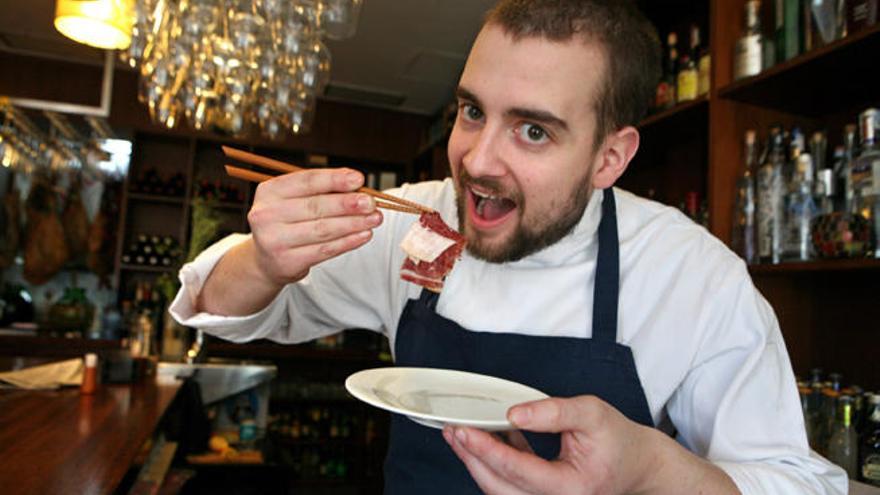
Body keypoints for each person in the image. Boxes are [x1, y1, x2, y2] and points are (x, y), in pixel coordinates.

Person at [170, 0, 847, 493]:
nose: (476, 161)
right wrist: (261, 261)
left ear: (610, 157)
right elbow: (236, 307)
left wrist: (652, 470)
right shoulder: (419, 221)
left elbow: (798, 481)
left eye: (533, 131)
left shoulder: (690, 275)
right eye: (472, 112)